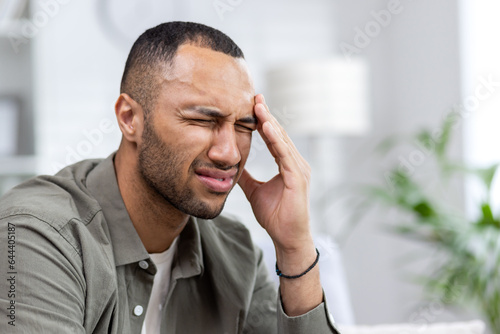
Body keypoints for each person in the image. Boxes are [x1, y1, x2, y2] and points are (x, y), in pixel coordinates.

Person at [0, 22, 339, 333]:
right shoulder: (34, 235)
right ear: (129, 117)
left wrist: (295, 249)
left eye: (243, 126)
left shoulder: (236, 252)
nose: (230, 154)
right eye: (203, 121)